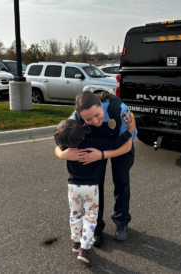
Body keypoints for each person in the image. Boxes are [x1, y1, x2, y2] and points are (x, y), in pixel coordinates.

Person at [55, 91, 137, 247]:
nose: (95, 121)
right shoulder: (76, 117)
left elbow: (127, 145)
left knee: (121, 182)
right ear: (80, 116)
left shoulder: (120, 110)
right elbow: (60, 139)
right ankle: (96, 227)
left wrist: (102, 155)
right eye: (88, 119)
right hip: (95, 147)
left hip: (120, 146)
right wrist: (62, 154)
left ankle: (121, 221)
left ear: (100, 104)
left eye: (97, 115)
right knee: (95, 185)